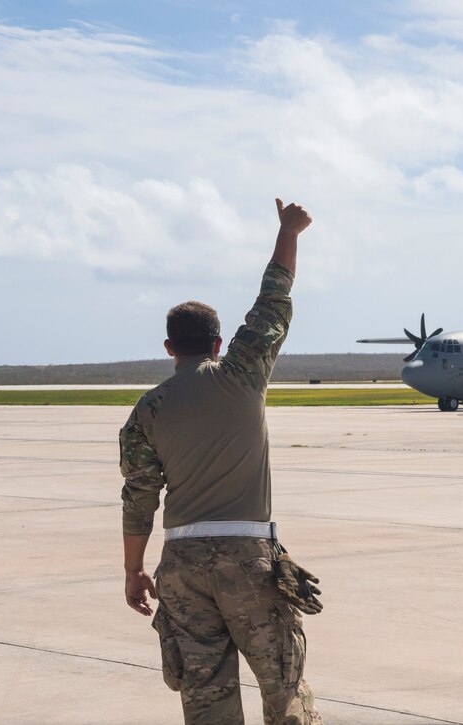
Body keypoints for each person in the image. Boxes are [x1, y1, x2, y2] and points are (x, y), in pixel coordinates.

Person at [119, 198, 322, 725]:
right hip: (247, 559)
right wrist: (289, 231)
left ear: (169, 348)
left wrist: (133, 571)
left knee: (205, 696)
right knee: (284, 687)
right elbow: (272, 300)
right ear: (216, 341)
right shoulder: (242, 374)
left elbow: (139, 498)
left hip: (181, 567)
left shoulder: (148, 410)